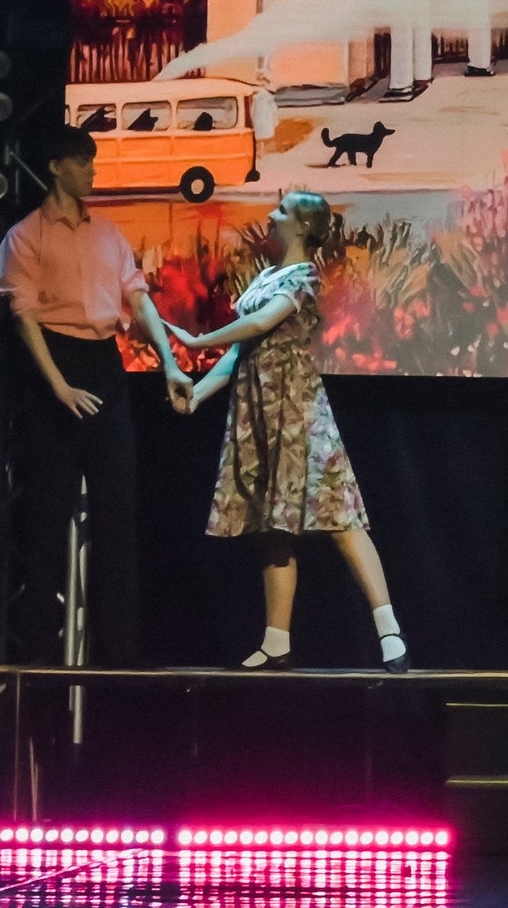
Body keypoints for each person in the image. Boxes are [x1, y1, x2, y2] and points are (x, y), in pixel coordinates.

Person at [167, 192, 409, 673]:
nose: (271, 216)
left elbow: (261, 321)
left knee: (338, 515)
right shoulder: (265, 277)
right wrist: (197, 394)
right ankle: (276, 641)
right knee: (272, 524)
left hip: (296, 409)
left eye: (281, 212)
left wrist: (196, 340)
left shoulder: (305, 277)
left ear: (300, 226)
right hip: (257, 409)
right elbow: (240, 353)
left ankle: (389, 631)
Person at [0, 123, 187, 667]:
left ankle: (121, 658)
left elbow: (138, 299)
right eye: (82, 162)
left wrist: (170, 363)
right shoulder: (26, 236)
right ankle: (38, 661)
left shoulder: (108, 233)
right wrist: (57, 385)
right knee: (47, 517)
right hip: (52, 368)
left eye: (92, 161)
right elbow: (25, 316)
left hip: (103, 365)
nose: (92, 172)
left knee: (117, 516)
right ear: (56, 168)